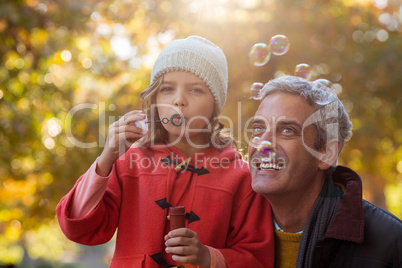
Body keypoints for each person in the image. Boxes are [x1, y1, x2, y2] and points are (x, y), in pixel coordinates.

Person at [57, 36, 274, 268]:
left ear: (215, 104)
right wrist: (106, 160)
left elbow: (257, 259)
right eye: (167, 89)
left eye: (196, 90)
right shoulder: (129, 162)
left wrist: (209, 257)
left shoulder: (240, 176)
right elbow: (79, 227)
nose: (179, 100)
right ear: (155, 99)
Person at [248, 75, 402, 268]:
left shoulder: (391, 242)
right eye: (257, 128)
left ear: (325, 153)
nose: (263, 144)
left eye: (287, 130)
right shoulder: (230, 228)